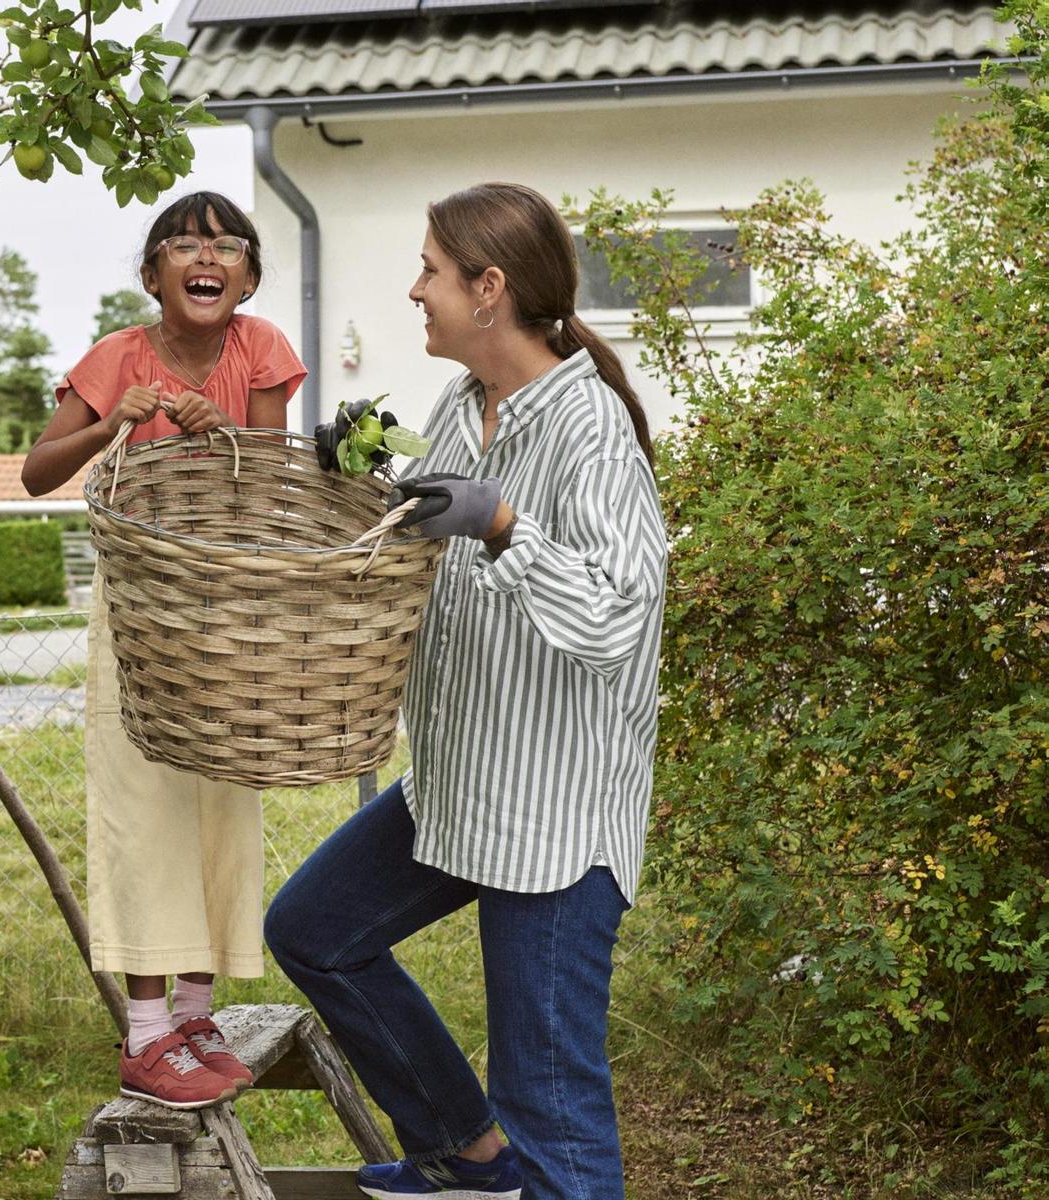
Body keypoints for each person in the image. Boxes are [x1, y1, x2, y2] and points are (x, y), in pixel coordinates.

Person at [264, 182, 667, 1199]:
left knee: (551, 1109)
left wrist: (504, 530)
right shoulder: (461, 407)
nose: (413, 290)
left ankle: (510, 1159)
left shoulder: (589, 430)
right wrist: (350, 476)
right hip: (459, 783)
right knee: (315, 932)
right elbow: (414, 537)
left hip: (554, 813)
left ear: (488, 290)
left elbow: (619, 620)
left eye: (430, 272)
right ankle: (461, 1151)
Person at [22, 192, 307, 1110]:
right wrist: (114, 423)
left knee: (224, 800)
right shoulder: (119, 358)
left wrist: (222, 436)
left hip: (227, 606)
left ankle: (194, 1014)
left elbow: (266, 483)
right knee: (146, 807)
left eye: (226, 245)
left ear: (249, 277)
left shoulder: (261, 350)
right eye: (183, 244)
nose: (205, 255)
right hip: (143, 608)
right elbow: (37, 473)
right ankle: (145, 1037)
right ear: (154, 277)